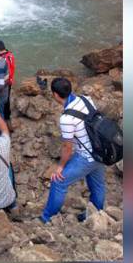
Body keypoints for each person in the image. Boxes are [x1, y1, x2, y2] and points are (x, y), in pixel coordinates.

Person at [39, 77, 105, 223]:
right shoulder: (85, 99)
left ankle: (46, 218)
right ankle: (96, 214)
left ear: (55, 95)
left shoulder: (66, 119)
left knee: (58, 182)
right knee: (98, 184)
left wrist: (60, 167)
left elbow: (67, 147)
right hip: (100, 151)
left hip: (87, 156)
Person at [0, 40, 16, 119]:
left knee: (2, 103)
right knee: (7, 101)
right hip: (10, 81)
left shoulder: (3, 59)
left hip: (5, 83)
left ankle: (3, 121)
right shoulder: (10, 54)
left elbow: (5, 74)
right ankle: (7, 119)